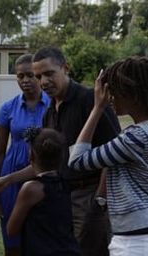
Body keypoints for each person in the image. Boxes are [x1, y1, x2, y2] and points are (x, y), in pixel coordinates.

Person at [0, 46, 121, 256]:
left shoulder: (91, 101)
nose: (43, 81)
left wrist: (99, 202)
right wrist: (6, 180)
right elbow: (44, 164)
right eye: (38, 76)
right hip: (61, 199)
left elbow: (114, 154)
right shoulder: (49, 113)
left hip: (89, 198)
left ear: (65, 68)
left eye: (48, 73)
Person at [68, 57, 148, 255]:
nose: (109, 96)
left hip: (135, 240)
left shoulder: (135, 138)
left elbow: (77, 160)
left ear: (133, 95)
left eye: (114, 90)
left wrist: (97, 109)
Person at [0, 53, 50, 255]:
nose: (25, 81)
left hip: (44, 180)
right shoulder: (8, 108)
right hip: (11, 180)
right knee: (12, 238)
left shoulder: (53, 105)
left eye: (30, 75)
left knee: (42, 237)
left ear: (39, 76)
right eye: (20, 76)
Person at [8, 127, 80, 256]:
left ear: (31, 155)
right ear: (62, 157)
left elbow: (11, 230)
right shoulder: (66, 184)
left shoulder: (31, 189)